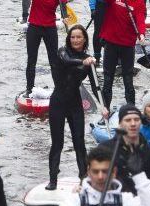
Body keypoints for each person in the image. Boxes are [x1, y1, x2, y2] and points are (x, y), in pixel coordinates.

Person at [46, 25, 101, 189]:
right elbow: (67, 61)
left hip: (75, 104)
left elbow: (94, 85)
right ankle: (53, 179)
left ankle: (83, 178)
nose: (75, 40)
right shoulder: (62, 52)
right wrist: (83, 61)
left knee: (79, 142)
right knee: (58, 142)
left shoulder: (88, 59)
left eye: (79, 37)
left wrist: (103, 107)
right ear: (69, 39)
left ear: (84, 39)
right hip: (58, 102)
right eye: (73, 37)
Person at [99, 0, 146, 110]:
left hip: (128, 45)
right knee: (107, 79)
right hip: (111, 43)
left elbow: (140, 20)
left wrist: (142, 34)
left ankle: (132, 110)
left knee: (128, 80)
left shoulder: (139, 3)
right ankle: (105, 111)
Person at [24, 0, 68, 97]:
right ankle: (29, 88)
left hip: (50, 28)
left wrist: (65, 18)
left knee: (54, 62)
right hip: (34, 27)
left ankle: (58, 89)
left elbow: (63, 8)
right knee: (31, 60)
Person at [89, 0, 105, 66]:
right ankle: (97, 56)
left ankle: (117, 56)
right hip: (100, 6)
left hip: (114, 7)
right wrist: (92, 9)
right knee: (98, 32)